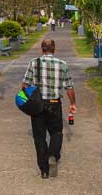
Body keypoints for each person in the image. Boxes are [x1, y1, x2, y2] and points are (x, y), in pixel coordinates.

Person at [23, 39, 77, 179]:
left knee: (39, 137)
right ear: (54, 49)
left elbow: (25, 85)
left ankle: (44, 171)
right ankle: (52, 155)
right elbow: (69, 87)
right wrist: (73, 103)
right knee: (56, 132)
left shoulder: (34, 63)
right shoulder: (62, 64)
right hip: (54, 103)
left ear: (42, 49)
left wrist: (27, 99)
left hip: (37, 105)